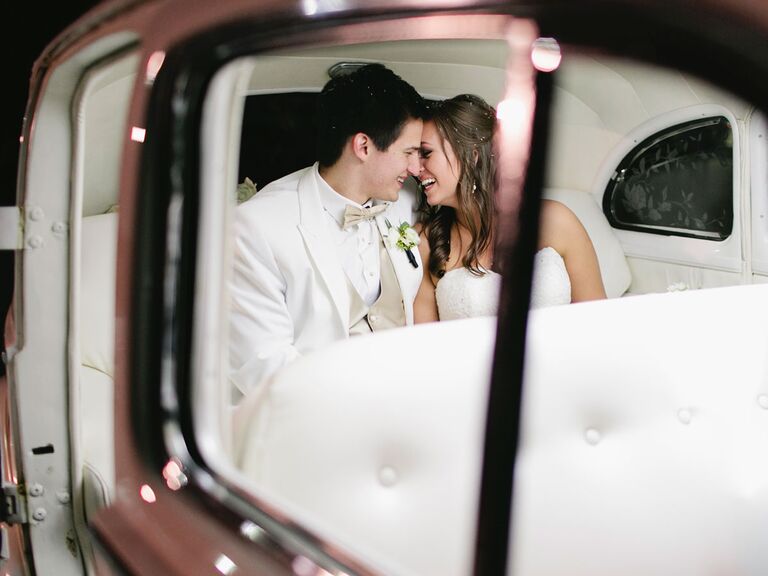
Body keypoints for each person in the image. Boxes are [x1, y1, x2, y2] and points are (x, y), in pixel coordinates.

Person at [229, 63, 427, 399]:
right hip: (311, 414)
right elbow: (264, 366)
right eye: (407, 153)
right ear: (363, 147)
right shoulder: (256, 227)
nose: (415, 168)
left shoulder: (404, 199)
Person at [413, 94, 606, 322]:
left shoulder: (555, 221)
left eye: (426, 153)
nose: (415, 168)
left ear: (472, 156)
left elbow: (598, 319)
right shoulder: (424, 242)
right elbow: (424, 343)